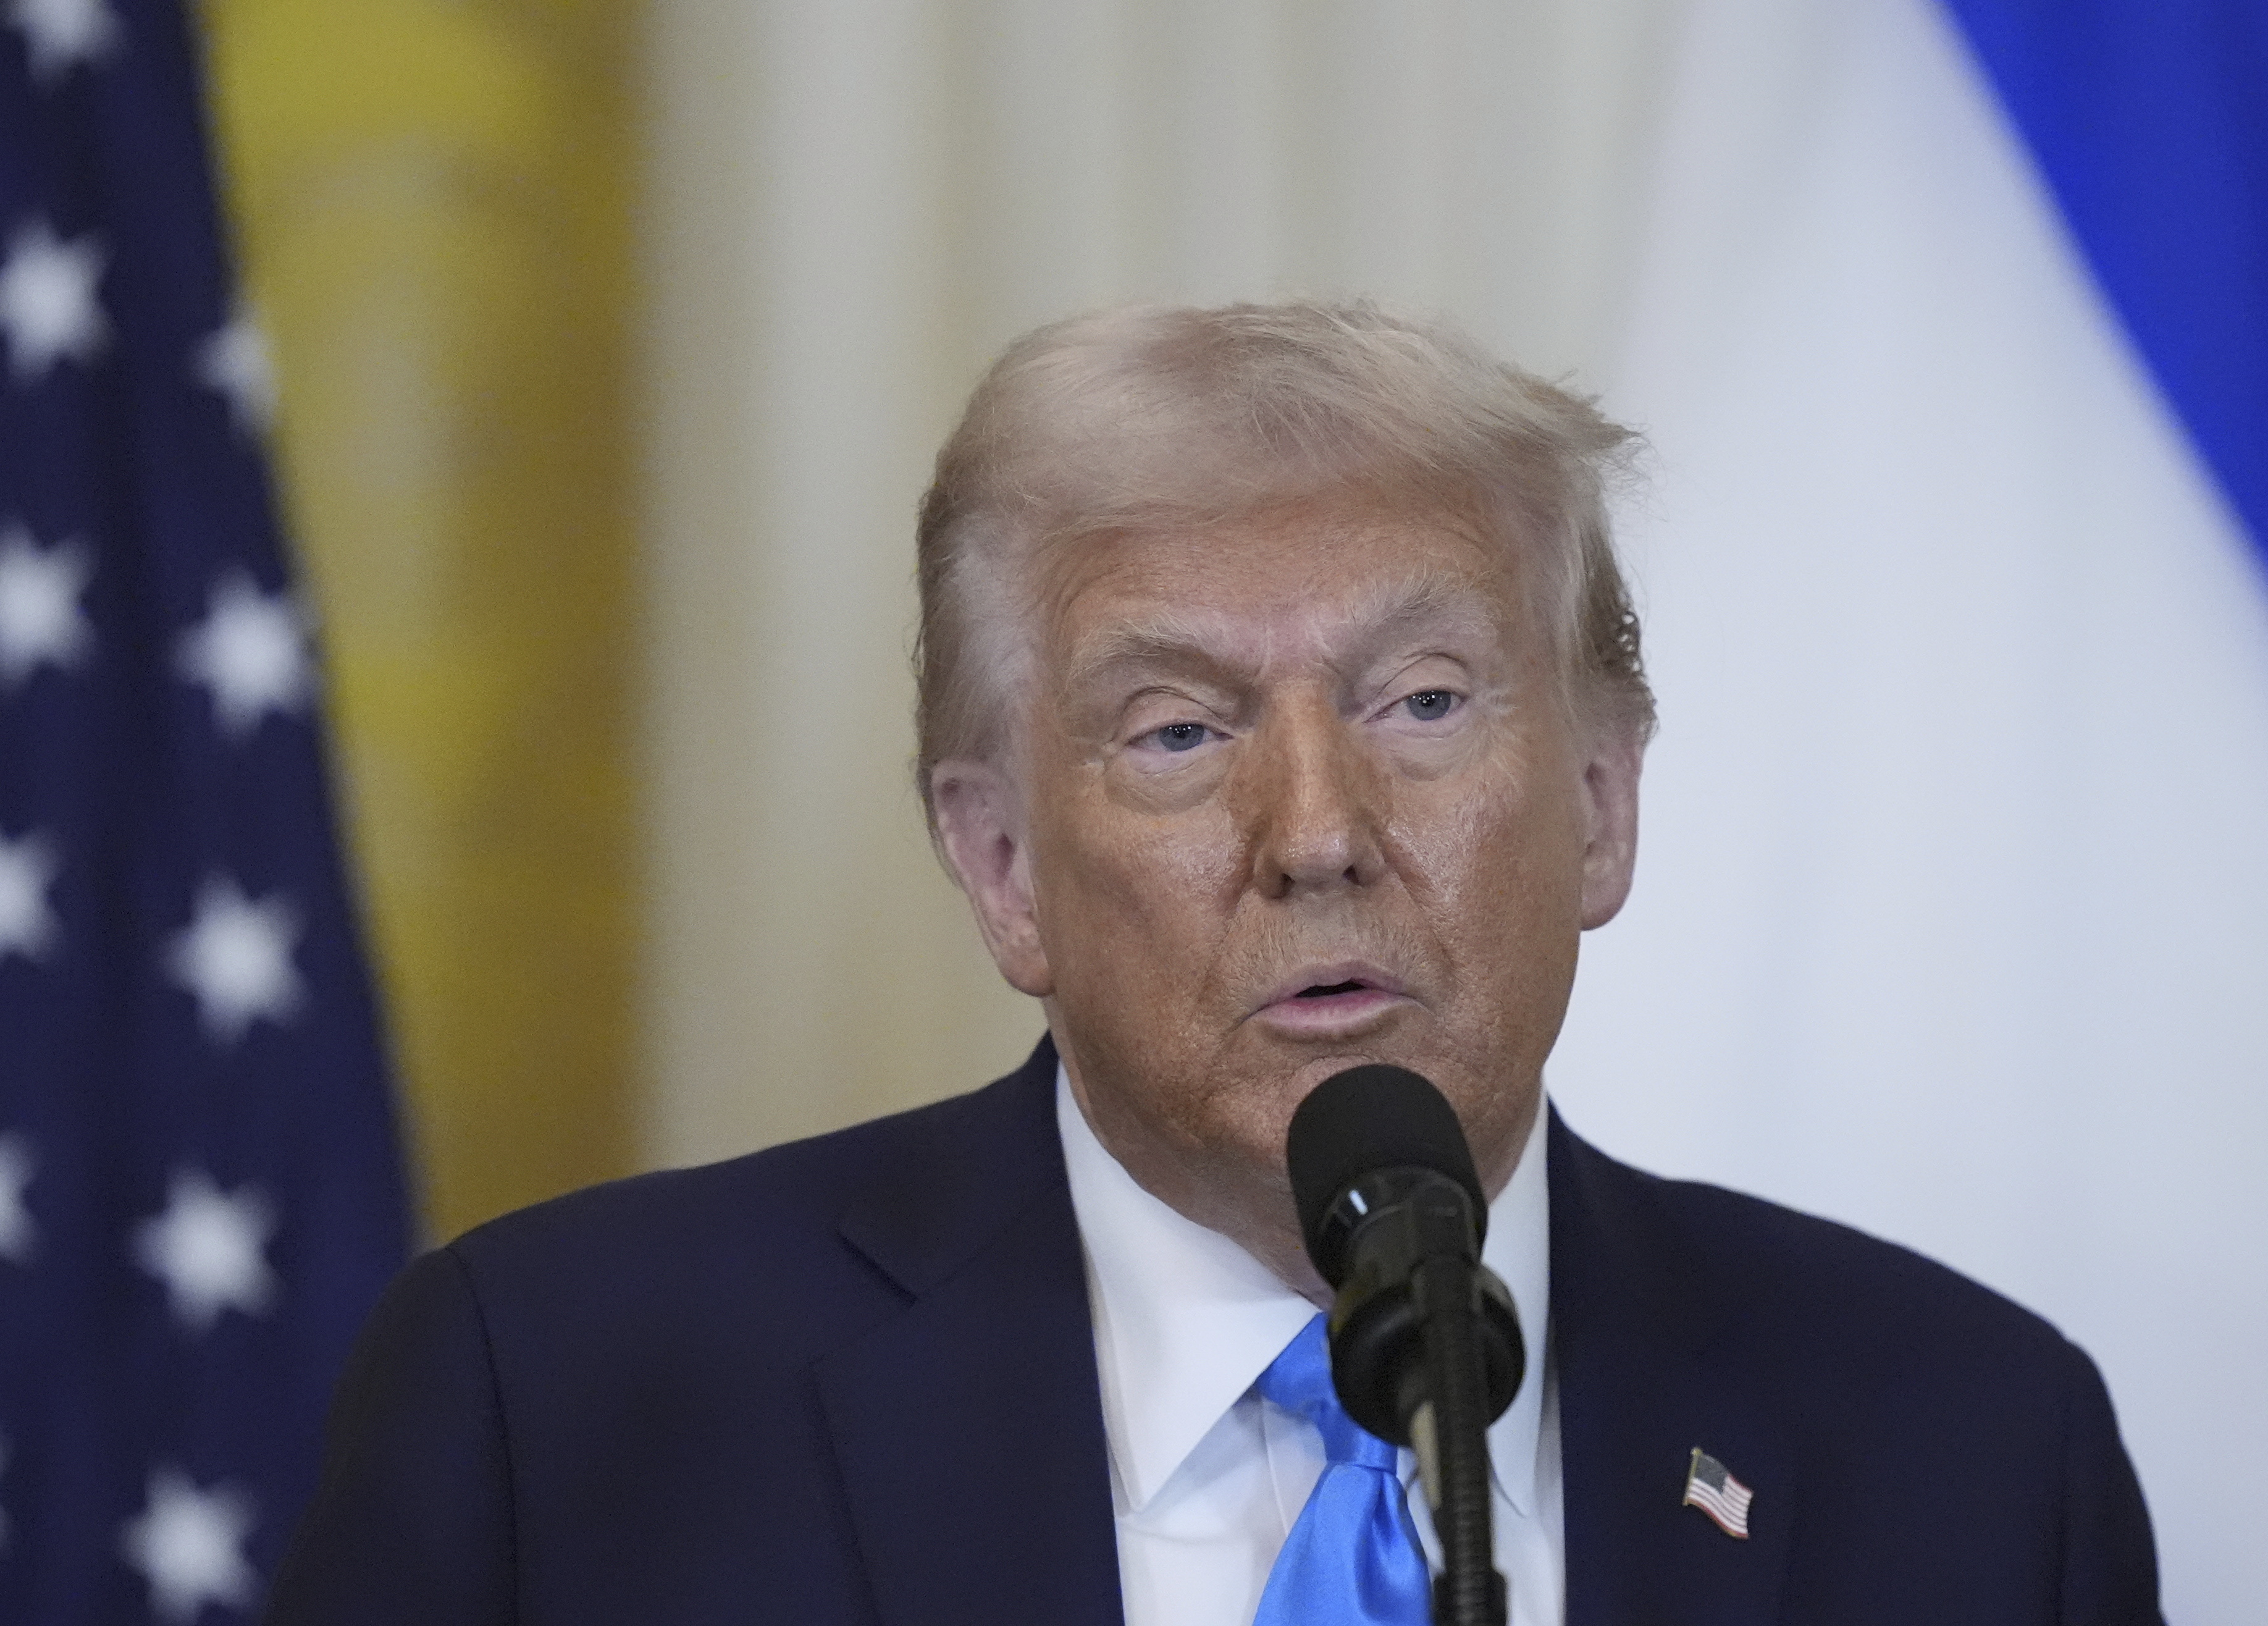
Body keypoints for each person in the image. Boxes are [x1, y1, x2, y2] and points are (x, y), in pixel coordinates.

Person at [266, 302, 2162, 1625]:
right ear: (1001, 866)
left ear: (1599, 804)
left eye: (1423, 702)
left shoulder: (1969, 1446)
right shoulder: (571, 1405)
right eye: (1178, 732)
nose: (1319, 829)